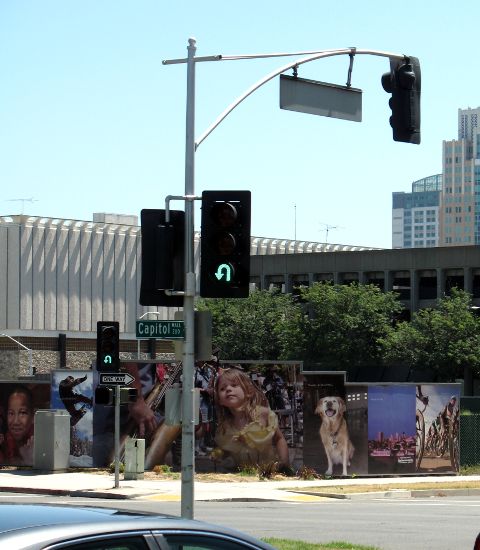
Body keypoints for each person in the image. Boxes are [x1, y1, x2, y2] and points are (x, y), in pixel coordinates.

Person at [212, 368, 290, 472]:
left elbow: (279, 439)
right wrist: (218, 454)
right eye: (222, 388)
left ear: (248, 391)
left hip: (268, 471)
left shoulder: (263, 414)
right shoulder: (225, 426)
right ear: (220, 400)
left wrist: (284, 463)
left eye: (234, 385)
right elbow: (227, 449)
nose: (228, 389)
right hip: (243, 475)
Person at [2, 385, 35, 466]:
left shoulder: (39, 444)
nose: (16, 421)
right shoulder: (3, 443)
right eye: (11, 413)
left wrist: (30, 460)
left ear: (33, 416)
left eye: (22, 413)